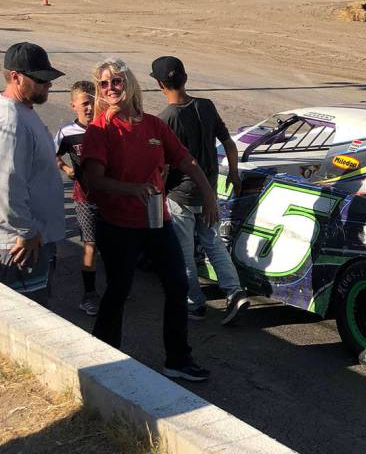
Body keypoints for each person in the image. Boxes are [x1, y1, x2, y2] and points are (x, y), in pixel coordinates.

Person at [82, 58, 214, 382]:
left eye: (116, 81)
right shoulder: (100, 130)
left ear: (129, 83)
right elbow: (92, 180)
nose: (111, 88)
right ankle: (105, 362)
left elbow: (187, 160)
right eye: (104, 84)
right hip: (117, 225)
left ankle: (178, 360)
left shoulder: (154, 125)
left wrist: (210, 197)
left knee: (177, 283)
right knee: (118, 290)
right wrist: (133, 189)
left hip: (157, 222)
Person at [150, 56, 249, 325]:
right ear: (185, 77)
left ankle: (195, 304)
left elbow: (164, 167)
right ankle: (234, 292)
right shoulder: (205, 106)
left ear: (160, 84)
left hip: (180, 196)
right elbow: (229, 143)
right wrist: (235, 175)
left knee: (183, 252)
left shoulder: (165, 120)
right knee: (213, 244)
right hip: (209, 193)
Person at [0, 42, 65, 306]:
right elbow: (6, 185)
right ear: (15, 76)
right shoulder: (11, 121)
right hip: (22, 246)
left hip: (33, 238)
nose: (48, 85)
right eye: (40, 80)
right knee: (26, 321)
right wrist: (26, 231)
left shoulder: (23, 112)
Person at [54, 80, 100, 315]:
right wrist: (65, 168)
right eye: (84, 104)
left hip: (110, 198)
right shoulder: (67, 133)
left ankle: (118, 288)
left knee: (115, 245)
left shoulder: (105, 127)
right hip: (84, 198)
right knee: (90, 245)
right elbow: (52, 155)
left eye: (92, 103)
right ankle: (89, 295)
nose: (89, 108)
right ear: (74, 105)